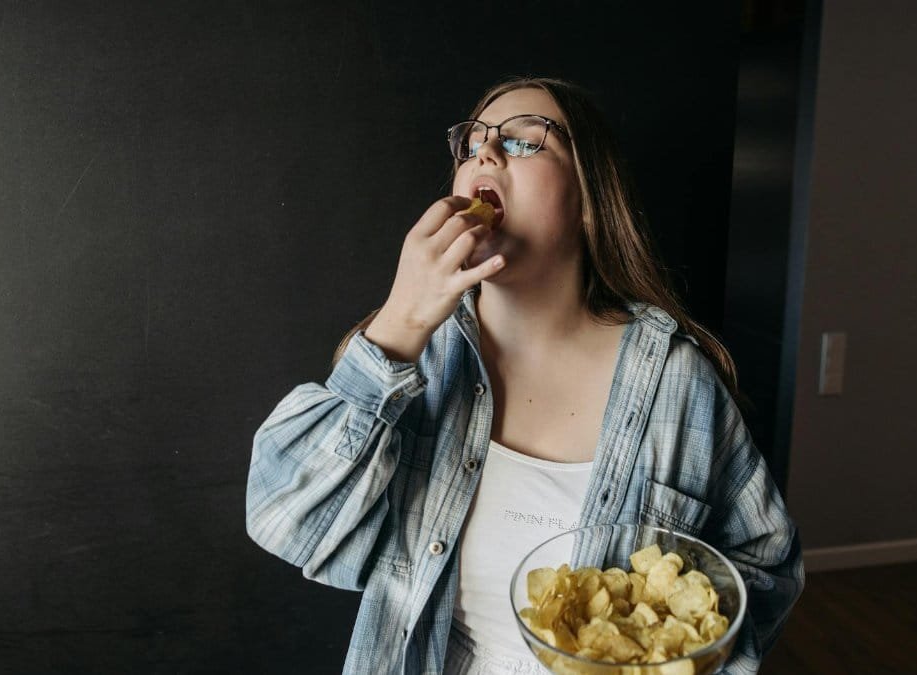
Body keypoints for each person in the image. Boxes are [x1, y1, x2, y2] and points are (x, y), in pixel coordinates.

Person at [246, 76, 804, 674]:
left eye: (522, 142)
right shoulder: (410, 357)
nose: (484, 153)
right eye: (473, 143)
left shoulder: (677, 380)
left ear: (589, 196)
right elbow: (287, 523)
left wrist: (682, 655)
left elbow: (765, 565)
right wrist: (401, 320)